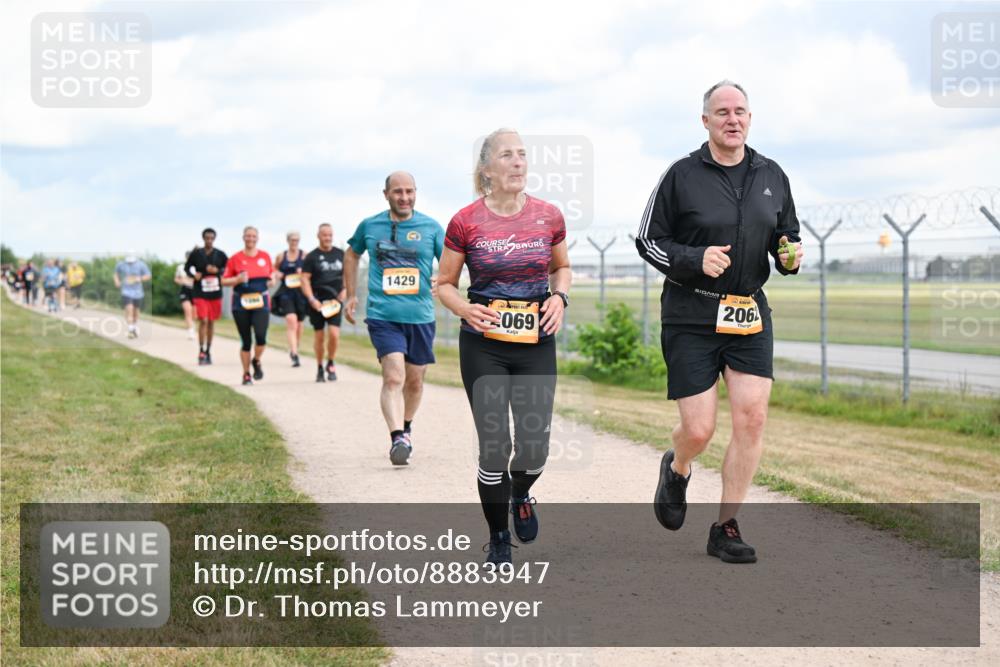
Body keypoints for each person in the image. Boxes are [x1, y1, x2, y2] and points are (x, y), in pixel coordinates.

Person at [635, 80, 803, 564]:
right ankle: (679, 466)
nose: (733, 119)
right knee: (700, 430)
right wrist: (693, 258)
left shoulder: (772, 174)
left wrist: (790, 255)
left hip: (748, 310)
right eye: (722, 112)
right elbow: (649, 240)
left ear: (750, 118)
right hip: (691, 313)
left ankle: (725, 525)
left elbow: (785, 236)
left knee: (753, 416)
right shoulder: (682, 175)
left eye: (741, 111)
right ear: (705, 120)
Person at [437, 129, 571, 565]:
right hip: (484, 343)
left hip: (534, 340)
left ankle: (521, 494)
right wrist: (465, 310)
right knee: (495, 445)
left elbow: (562, 267)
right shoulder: (465, 221)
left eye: (522, 155)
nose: (518, 162)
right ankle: (498, 537)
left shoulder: (548, 216)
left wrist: (558, 297)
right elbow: (444, 284)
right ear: (486, 169)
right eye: (507, 156)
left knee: (534, 448)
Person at [344, 172, 445, 465]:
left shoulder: (430, 227)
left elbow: (450, 261)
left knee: (414, 383)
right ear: (385, 194)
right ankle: (397, 437)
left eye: (409, 191)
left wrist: (444, 279)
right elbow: (351, 255)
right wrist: (351, 294)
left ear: (416, 192)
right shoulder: (370, 225)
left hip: (420, 317)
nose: (404, 197)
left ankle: (407, 427)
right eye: (398, 192)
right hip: (383, 315)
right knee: (394, 377)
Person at [221, 226, 274, 386]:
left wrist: (272, 281)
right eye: (248, 236)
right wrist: (237, 279)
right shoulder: (235, 258)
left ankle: (256, 360)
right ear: (243, 238)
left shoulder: (265, 256)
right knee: (246, 341)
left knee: (261, 337)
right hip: (241, 303)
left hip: (261, 302)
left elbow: (271, 276)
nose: (250, 239)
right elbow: (223, 281)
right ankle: (246, 374)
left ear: (257, 238)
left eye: (253, 236)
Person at [300, 224, 345, 383]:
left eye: (330, 235)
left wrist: (345, 291)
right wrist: (311, 299)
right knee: (319, 337)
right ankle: (319, 366)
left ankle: (330, 362)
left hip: (335, 301)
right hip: (318, 302)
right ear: (318, 236)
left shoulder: (340, 254)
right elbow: (304, 279)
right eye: (324, 235)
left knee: (334, 334)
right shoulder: (311, 257)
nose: (328, 238)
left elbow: (348, 275)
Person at [185, 228, 228, 365]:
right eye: (207, 238)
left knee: (211, 321)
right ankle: (201, 350)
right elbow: (187, 268)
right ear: (203, 238)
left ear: (214, 239)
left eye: (211, 238)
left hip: (215, 291)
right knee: (203, 320)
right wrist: (194, 275)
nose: (209, 240)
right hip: (200, 291)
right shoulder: (196, 254)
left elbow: (228, 269)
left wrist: (218, 271)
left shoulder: (220, 254)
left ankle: (208, 350)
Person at [272, 231, 309, 367]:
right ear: (287, 241)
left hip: (301, 293)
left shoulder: (304, 256)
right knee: (290, 320)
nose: (294, 242)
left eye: (297, 240)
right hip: (286, 292)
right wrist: (278, 274)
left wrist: (303, 273)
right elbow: (273, 269)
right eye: (292, 240)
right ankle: (294, 353)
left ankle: (295, 347)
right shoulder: (281, 256)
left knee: (299, 324)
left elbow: (311, 272)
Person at [113, 252, 152, 338]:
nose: (130, 263)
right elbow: (116, 273)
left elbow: (148, 275)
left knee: (136, 312)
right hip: (126, 291)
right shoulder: (121, 264)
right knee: (129, 308)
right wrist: (117, 281)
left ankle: (133, 327)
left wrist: (139, 278)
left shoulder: (141, 264)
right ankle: (130, 330)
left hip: (138, 292)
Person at [174, 251, 197, 339]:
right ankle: (191, 332)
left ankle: (192, 325)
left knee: (194, 313)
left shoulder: (196, 267)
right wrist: (182, 281)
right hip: (185, 290)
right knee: (187, 311)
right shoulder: (180, 267)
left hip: (195, 291)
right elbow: (176, 279)